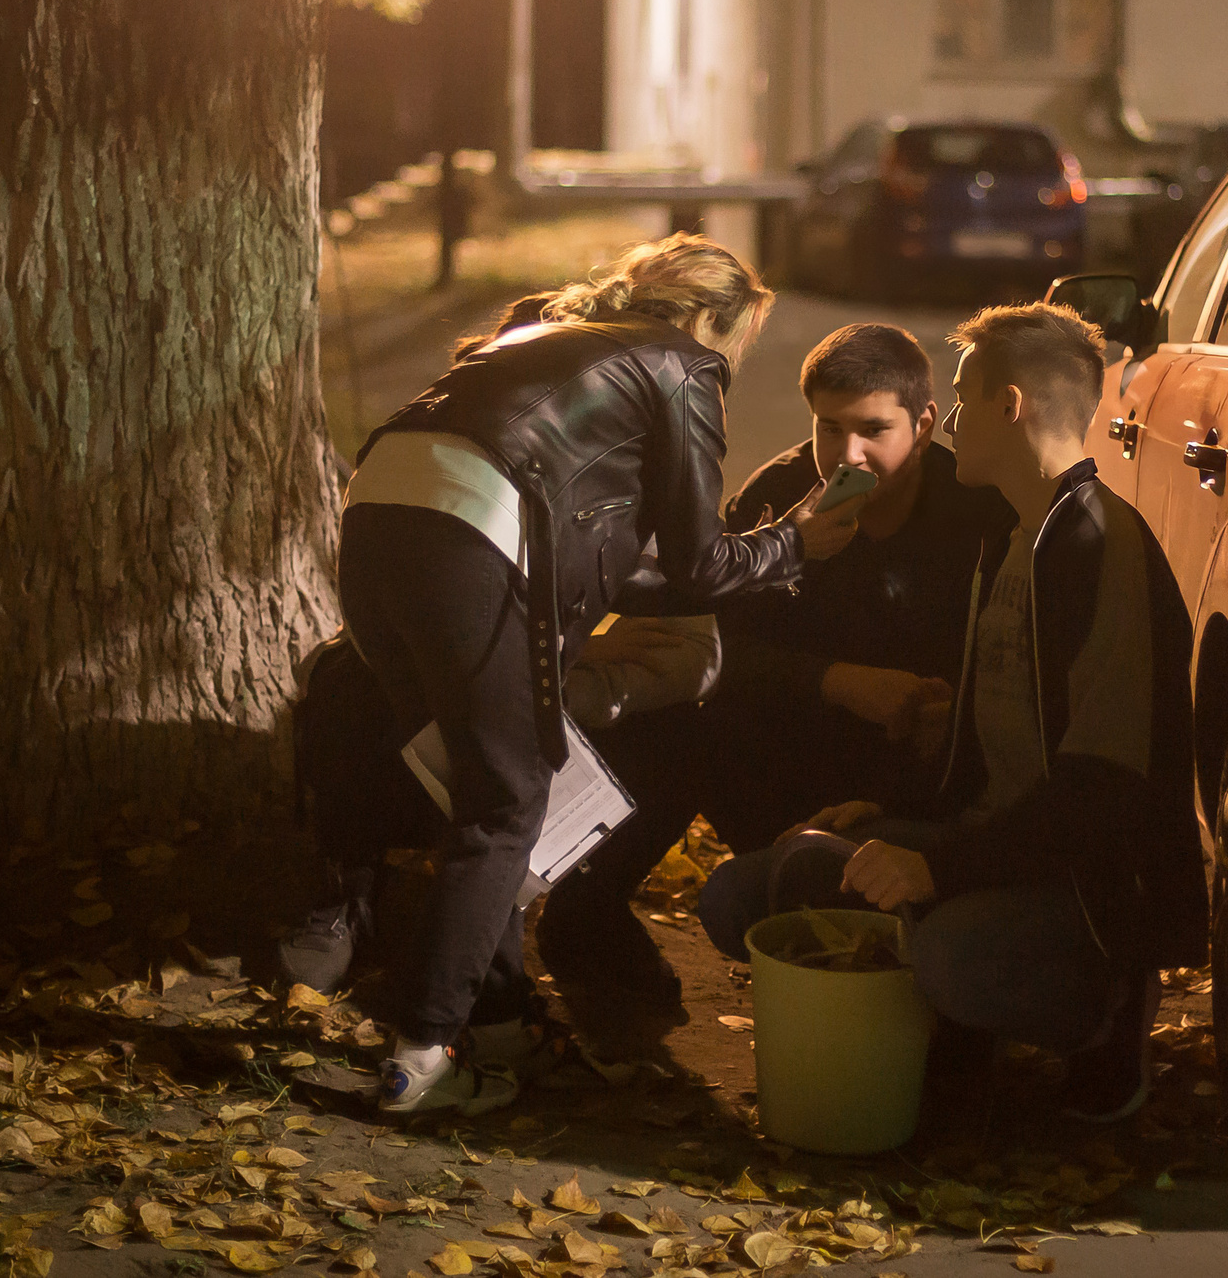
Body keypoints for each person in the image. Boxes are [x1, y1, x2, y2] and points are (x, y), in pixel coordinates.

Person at [276, 234, 865, 1116]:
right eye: (735, 339)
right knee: (505, 804)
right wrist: (795, 542)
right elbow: (701, 564)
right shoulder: (681, 365)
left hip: (377, 524)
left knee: (472, 787)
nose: (730, 358)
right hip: (466, 538)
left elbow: (607, 559)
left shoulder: (533, 340)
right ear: (712, 319)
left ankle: (505, 1018)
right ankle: (422, 1056)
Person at [696, 302, 1205, 1121]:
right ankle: (960, 1025)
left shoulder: (1099, 545)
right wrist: (897, 819)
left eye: (964, 400)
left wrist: (939, 864)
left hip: (1082, 884)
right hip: (986, 845)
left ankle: (1104, 1012)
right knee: (752, 890)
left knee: (952, 960)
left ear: (1010, 407)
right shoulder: (1008, 538)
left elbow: (1105, 790)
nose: (954, 421)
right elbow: (980, 753)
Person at [534, 323, 1012, 1012]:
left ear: (927, 423)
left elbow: (1008, 677)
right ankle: (587, 910)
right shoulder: (785, 490)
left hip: (920, 785)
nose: (847, 455)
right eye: (829, 428)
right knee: (672, 709)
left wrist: (942, 722)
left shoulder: (974, 511)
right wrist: (838, 679)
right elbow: (708, 642)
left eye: (874, 429)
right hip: (791, 763)